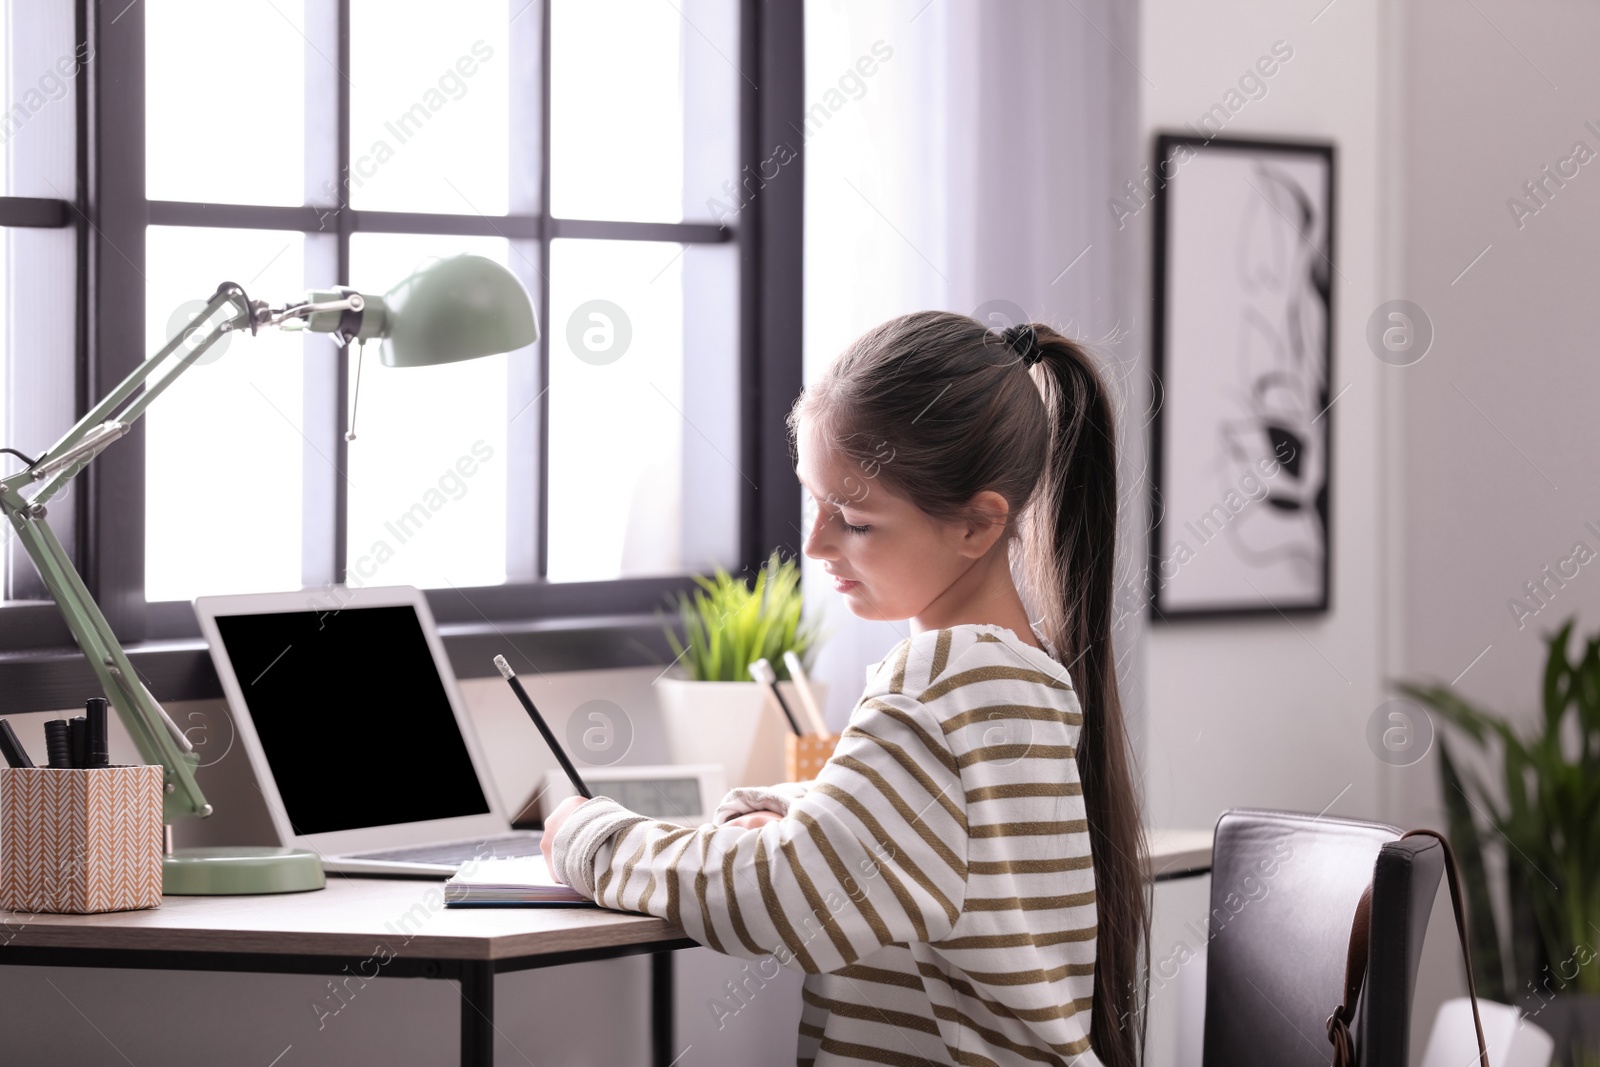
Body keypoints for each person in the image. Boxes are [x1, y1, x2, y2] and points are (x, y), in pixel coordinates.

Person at [543, 311, 1150, 1067]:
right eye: (815, 501)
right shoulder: (1027, 674)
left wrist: (590, 839)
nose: (816, 544)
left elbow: (780, 898)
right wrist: (807, 810)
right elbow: (953, 851)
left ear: (977, 525)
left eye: (855, 520)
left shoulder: (938, 680)